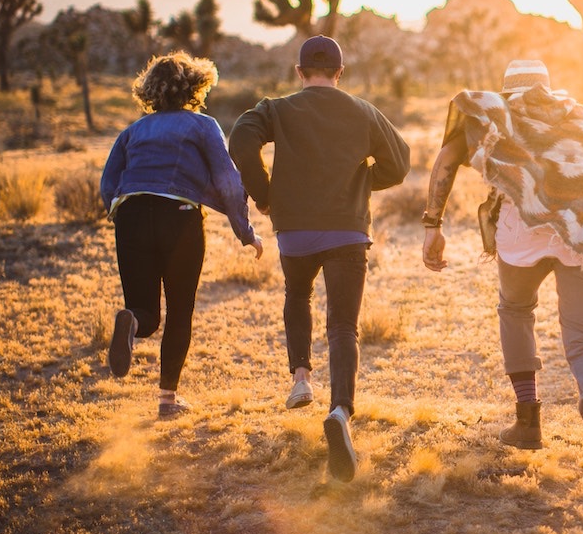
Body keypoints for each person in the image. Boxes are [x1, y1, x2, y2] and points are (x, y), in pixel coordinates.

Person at [422, 59, 583, 531]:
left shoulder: (496, 116)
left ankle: (527, 422)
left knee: (516, 311)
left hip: (519, 238)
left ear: (507, 90)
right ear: (549, 86)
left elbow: (445, 160)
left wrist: (432, 224)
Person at [228, 35, 410, 482]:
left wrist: (265, 193)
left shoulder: (277, 109)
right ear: (340, 73)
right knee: (343, 325)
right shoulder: (363, 111)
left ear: (300, 71)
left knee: (297, 295)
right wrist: (364, 179)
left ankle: (301, 380)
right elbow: (401, 162)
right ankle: (341, 412)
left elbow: (239, 140)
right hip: (348, 228)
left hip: (295, 231)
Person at [100, 51, 263, 418]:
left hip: (132, 214)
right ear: (195, 86)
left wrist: (121, 214)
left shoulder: (133, 131)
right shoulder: (203, 126)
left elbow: (108, 182)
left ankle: (132, 322)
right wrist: (245, 232)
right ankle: (167, 401)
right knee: (178, 312)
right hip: (179, 216)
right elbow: (227, 181)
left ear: (150, 91)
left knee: (146, 312)